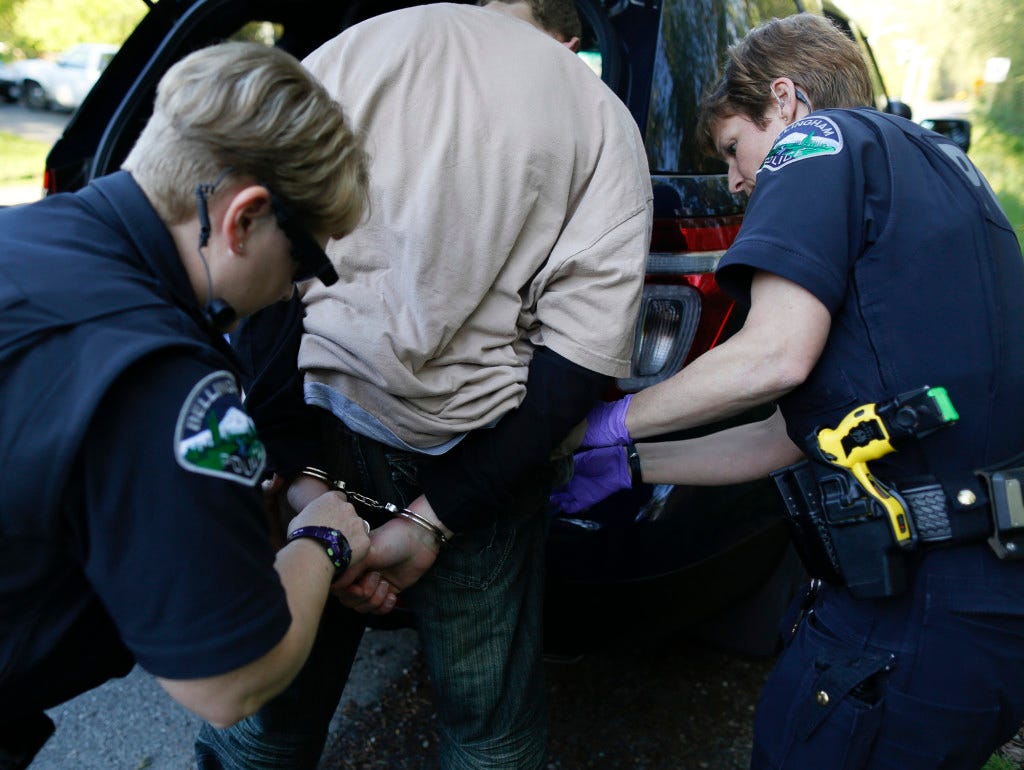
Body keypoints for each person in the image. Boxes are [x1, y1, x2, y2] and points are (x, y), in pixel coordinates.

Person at [552, 12, 1024, 769]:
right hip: (983, 592)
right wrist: (635, 465)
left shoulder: (821, 142)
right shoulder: (940, 170)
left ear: (786, 99)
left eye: (735, 148)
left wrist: (603, 423)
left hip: (919, 603)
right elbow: (787, 433)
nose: (738, 181)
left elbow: (771, 357)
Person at [195, 2, 653, 768]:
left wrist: (302, 475)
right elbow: (573, 370)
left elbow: (254, 260)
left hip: (320, 414)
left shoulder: (350, 50)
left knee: (269, 703)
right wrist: (434, 519)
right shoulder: (597, 116)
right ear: (570, 41)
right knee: (488, 731)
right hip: (477, 456)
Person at [0, 41, 374, 770]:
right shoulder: (163, 379)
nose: (297, 292)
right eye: (305, 262)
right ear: (244, 218)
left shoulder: (21, 236)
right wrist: (324, 539)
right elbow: (232, 680)